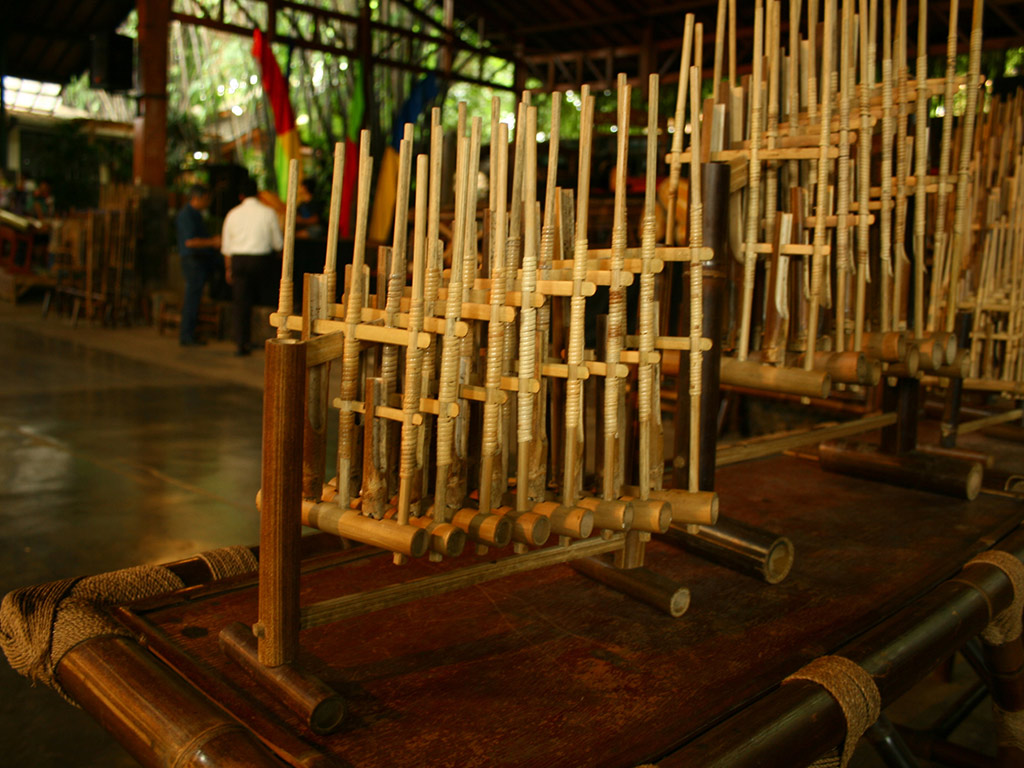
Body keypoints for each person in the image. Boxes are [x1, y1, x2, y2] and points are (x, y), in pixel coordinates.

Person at [221, 177, 283, 356]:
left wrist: (228, 269)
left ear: (240, 196)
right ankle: (273, 341)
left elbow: (227, 247)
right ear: (258, 194)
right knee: (270, 299)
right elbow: (278, 244)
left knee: (241, 303)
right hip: (262, 262)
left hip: (239, 262)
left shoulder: (232, 214)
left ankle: (242, 343)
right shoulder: (268, 213)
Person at [175, 185, 222, 346]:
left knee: (194, 296)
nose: (208, 203)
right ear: (198, 198)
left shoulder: (195, 214)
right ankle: (187, 335)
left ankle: (190, 333)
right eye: (207, 199)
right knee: (192, 297)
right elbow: (190, 242)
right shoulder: (187, 215)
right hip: (192, 260)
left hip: (198, 260)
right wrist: (212, 242)